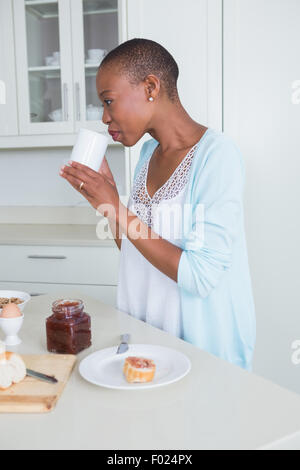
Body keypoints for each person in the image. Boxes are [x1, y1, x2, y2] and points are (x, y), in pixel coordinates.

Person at [60, 38, 256, 371]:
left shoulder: (217, 156)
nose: (105, 117)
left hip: (203, 355)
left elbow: (200, 276)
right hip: (150, 340)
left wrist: (118, 210)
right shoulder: (147, 156)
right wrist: (106, 204)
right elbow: (136, 252)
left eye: (109, 101)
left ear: (151, 86)